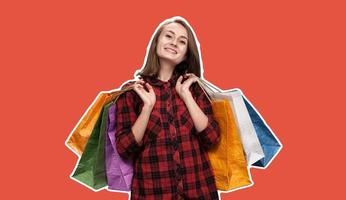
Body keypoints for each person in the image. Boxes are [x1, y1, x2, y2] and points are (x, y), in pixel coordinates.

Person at [115, 16, 221, 200]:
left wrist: (187, 96)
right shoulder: (134, 92)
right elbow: (125, 148)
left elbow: (212, 138)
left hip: (200, 189)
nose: (174, 43)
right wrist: (147, 108)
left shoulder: (194, 88)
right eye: (169, 36)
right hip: (152, 193)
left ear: (187, 53)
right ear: (157, 41)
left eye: (182, 41)